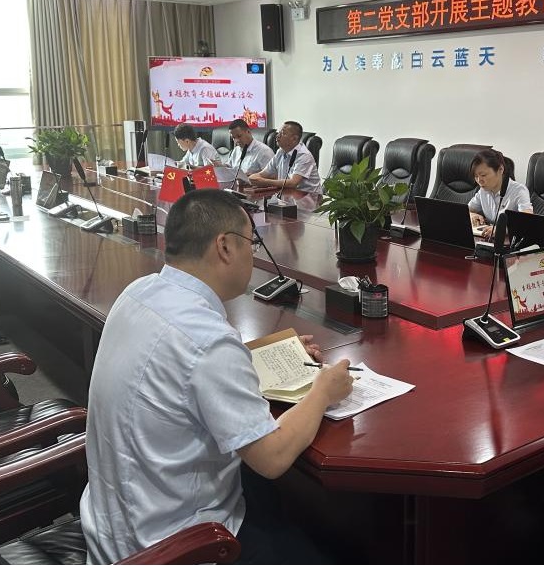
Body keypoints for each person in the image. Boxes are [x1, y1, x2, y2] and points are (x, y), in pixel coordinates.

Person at [80, 189, 353, 564]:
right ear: (224, 246)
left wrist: (262, 355)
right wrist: (323, 390)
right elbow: (272, 458)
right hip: (174, 547)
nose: (253, 254)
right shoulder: (209, 342)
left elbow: (183, 369)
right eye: (251, 243)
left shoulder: (139, 292)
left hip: (114, 526)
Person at [467, 149, 532, 240]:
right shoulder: (483, 190)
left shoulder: (519, 190)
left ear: (500, 169)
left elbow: (527, 220)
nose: (479, 180)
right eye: (476, 176)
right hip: (488, 240)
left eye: (483, 175)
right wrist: (472, 215)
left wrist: (502, 229)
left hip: (510, 243)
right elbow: (467, 210)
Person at [249, 121, 321, 193]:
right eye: (278, 133)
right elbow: (263, 174)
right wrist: (253, 178)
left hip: (309, 197)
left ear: (294, 138)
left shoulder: (304, 155)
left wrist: (264, 182)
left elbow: (293, 183)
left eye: (283, 133)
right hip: (286, 195)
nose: (277, 136)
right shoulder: (280, 151)